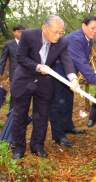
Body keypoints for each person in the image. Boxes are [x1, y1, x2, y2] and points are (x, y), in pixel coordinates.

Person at [10, 15, 79, 159]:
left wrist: (73, 78)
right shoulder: (28, 35)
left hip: (45, 84)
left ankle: (37, 146)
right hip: (24, 81)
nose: (58, 36)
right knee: (19, 116)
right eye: (55, 32)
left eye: (61, 32)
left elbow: (66, 61)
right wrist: (37, 66)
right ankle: (18, 148)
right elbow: (21, 57)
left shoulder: (62, 43)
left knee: (41, 116)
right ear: (44, 28)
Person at [49, 15, 96, 147]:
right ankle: (58, 136)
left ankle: (67, 127)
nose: (95, 31)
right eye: (92, 28)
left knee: (67, 101)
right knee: (57, 105)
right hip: (57, 73)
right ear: (83, 26)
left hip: (69, 74)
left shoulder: (88, 39)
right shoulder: (75, 39)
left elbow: (82, 60)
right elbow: (81, 62)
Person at [0, 24, 25, 110]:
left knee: (25, 93)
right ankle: (12, 112)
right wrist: (1, 71)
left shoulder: (27, 43)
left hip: (26, 72)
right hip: (14, 72)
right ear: (14, 33)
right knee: (14, 92)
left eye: (22, 32)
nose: (21, 34)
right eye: (19, 32)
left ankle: (22, 112)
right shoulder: (8, 44)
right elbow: (3, 59)